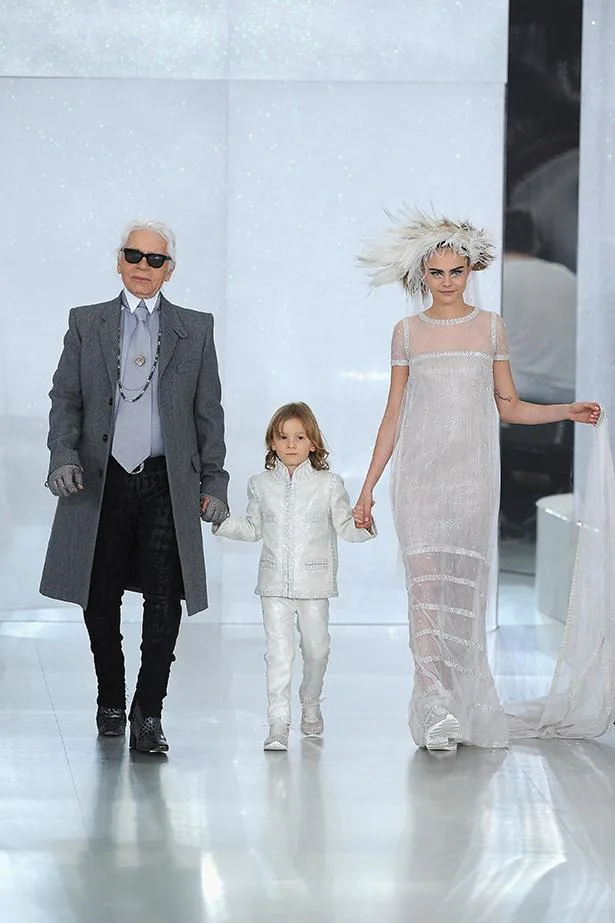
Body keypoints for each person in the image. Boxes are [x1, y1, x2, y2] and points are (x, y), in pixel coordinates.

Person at [353, 209, 599, 752]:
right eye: (436, 273)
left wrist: (565, 410)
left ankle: (461, 704)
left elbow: (508, 407)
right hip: (417, 479)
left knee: (461, 596)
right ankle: (434, 708)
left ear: (470, 271)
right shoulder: (407, 333)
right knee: (425, 592)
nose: (446, 282)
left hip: (470, 480)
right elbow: (392, 414)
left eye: (456, 271)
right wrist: (369, 486)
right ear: (421, 275)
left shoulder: (490, 327)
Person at [40, 218, 230, 754]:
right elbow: (66, 399)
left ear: (170, 270)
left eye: (155, 259)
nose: (143, 267)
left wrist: (214, 480)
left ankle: (150, 710)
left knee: (164, 599)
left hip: (166, 481)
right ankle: (109, 697)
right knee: (97, 597)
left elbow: (208, 412)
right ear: (119, 261)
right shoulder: (87, 323)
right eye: (134, 255)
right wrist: (63, 454)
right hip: (100, 483)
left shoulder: (195, 328)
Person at [212, 402, 375, 751]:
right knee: (278, 654)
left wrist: (363, 525)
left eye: (299, 437)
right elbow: (254, 528)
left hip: (314, 585)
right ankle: (278, 724)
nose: (291, 444)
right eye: (283, 437)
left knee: (316, 651)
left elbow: (345, 528)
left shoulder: (329, 485)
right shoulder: (260, 485)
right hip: (273, 586)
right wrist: (222, 521)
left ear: (313, 443)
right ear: (271, 442)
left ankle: (310, 700)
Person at [503, 209, 577, 405]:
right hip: (568, 402)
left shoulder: (493, 281)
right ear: (535, 241)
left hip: (514, 402)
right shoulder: (566, 277)